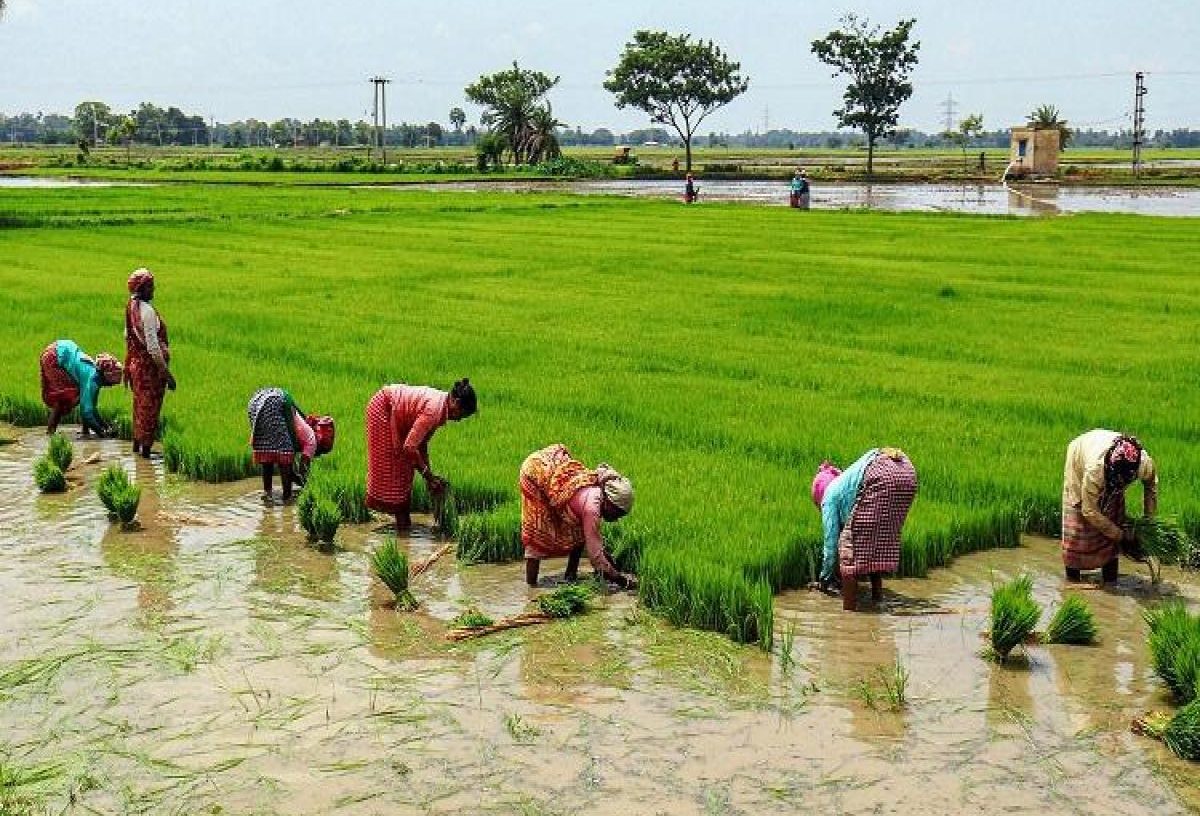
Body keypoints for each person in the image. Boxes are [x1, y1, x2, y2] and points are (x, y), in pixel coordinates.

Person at [811, 448, 918, 611]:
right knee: (873, 544)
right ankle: (877, 601)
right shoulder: (846, 485)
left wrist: (824, 580)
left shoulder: (829, 497)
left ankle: (849, 613)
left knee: (848, 549)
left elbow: (831, 547)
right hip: (906, 469)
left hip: (881, 471)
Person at [519, 443, 637, 589]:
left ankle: (570, 575)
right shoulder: (592, 508)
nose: (617, 519)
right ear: (609, 502)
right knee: (537, 533)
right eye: (617, 513)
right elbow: (595, 558)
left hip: (550, 470)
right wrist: (622, 581)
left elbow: (591, 540)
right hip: (534, 473)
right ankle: (531, 590)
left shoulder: (597, 495)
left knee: (580, 532)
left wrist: (607, 561)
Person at [365, 379, 476, 529]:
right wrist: (428, 476)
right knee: (396, 470)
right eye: (461, 414)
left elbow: (421, 443)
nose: (459, 420)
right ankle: (403, 528)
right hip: (384, 409)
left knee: (405, 471)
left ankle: (403, 526)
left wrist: (429, 475)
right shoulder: (434, 410)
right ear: (455, 402)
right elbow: (410, 447)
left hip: (397, 414)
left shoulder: (441, 407)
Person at [1061, 430, 1156, 583]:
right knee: (1077, 527)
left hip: (1103, 461)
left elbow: (1151, 487)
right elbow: (1089, 510)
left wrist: (1148, 522)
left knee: (1112, 520)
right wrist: (1121, 535)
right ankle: (1072, 581)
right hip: (1078, 461)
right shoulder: (1095, 469)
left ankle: (1111, 582)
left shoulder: (1142, 464)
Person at [247, 387, 335, 501]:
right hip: (274, 402)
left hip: (255, 403)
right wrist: (307, 487)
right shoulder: (312, 441)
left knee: (267, 455)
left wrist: (293, 475)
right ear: (320, 447)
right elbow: (303, 470)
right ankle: (287, 498)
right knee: (285, 456)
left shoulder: (303, 426)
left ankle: (267, 494)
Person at [124, 268, 175, 458]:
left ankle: (136, 448)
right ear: (142, 289)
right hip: (149, 370)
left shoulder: (131, 307)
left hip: (136, 367)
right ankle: (146, 453)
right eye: (150, 286)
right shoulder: (147, 312)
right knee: (150, 410)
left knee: (139, 407)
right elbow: (153, 347)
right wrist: (166, 373)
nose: (154, 290)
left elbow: (127, 336)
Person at [39, 339, 123, 436]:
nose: (111, 386)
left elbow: (92, 408)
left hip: (63, 349)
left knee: (83, 396)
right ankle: (50, 432)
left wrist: (105, 426)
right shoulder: (92, 380)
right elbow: (86, 413)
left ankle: (85, 431)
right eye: (112, 383)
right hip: (54, 357)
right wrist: (101, 432)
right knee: (63, 398)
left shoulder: (95, 377)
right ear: (106, 377)